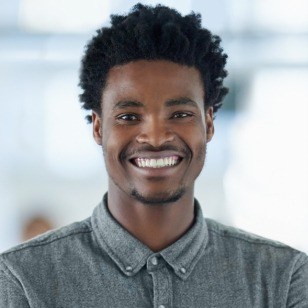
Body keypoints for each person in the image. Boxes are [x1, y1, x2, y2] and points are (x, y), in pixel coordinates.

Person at [0, 3, 307, 307]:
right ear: (97, 128)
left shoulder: (282, 279)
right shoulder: (22, 280)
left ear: (209, 123)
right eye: (129, 117)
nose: (157, 137)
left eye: (181, 114)